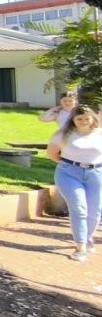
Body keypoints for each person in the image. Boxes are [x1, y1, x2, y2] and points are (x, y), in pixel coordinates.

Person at [46, 105, 102, 262]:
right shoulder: (63, 134)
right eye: (79, 119)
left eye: (87, 118)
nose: (84, 121)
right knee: (79, 208)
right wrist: (70, 164)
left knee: (95, 211)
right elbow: (51, 154)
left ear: (93, 119)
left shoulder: (99, 134)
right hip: (69, 172)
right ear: (73, 120)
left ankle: (87, 237)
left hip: (96, 173)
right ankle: (80, 246)